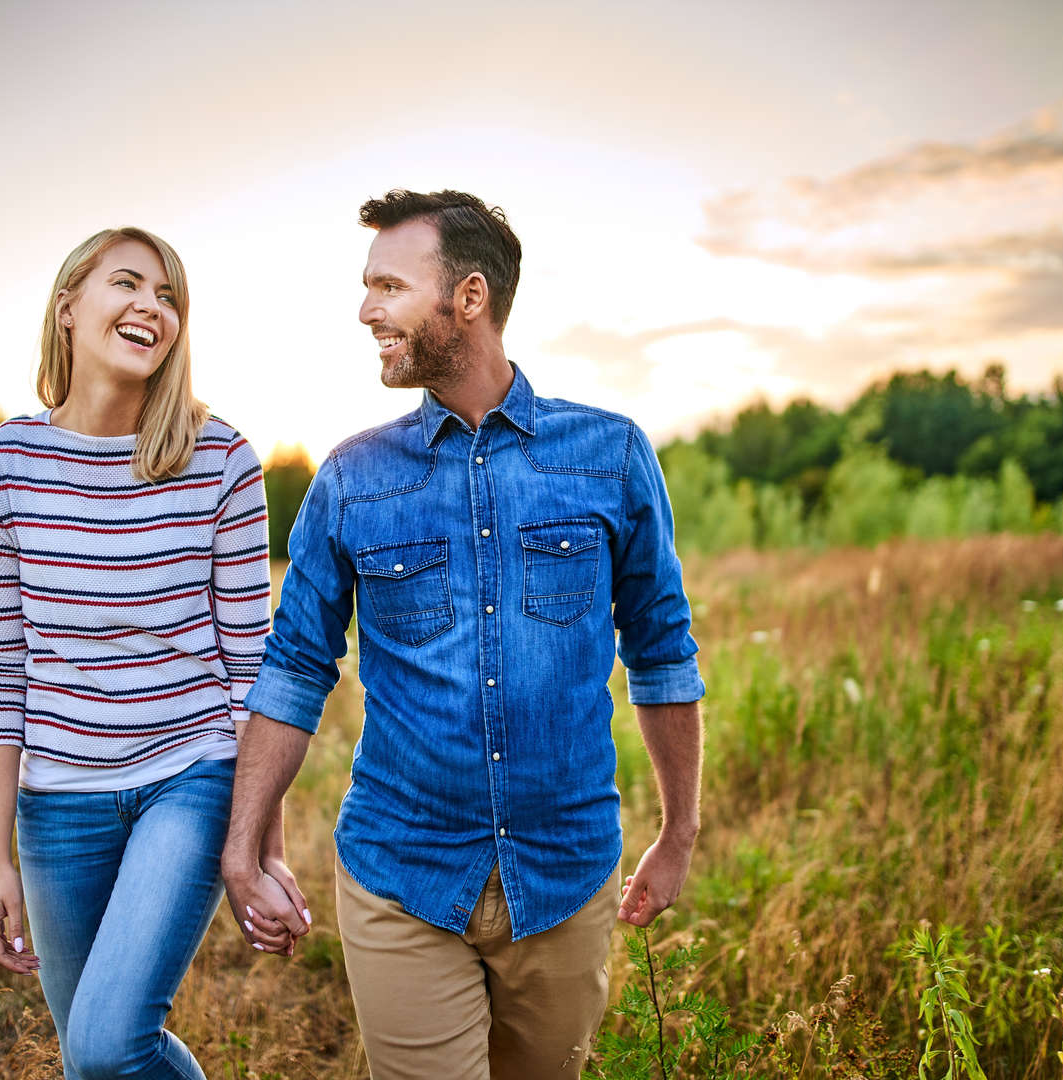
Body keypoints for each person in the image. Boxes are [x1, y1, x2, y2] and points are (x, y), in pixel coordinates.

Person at [221, 190, 705, 1078]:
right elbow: (292, 670)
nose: (366, 309)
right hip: (402, 876)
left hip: (564, 876)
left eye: (389, 287)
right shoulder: (353, 477)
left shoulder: (610, 456)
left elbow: (663, 653)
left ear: (468, 298)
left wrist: (677, 835)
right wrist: (243, 842)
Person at [0, 226, 294, 1080]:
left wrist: (264, 846)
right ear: (69, 307)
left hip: (190, 776)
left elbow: (254, 670)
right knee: (91, 1063)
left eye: (170, 296)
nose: (153, 306)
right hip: (58, 803)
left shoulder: (219, 457)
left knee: (110, 1046)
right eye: (128, 284)